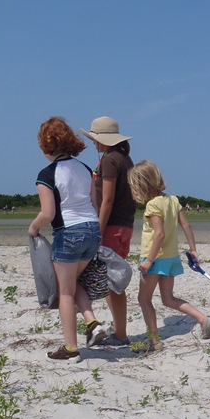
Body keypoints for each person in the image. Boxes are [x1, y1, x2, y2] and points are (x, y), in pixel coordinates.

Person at [29, 116, 107, 361]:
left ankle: (71, 349)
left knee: (64, 291)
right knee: (73, 283)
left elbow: (48, 213)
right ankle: (92, 322)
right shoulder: (84, 169)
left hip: (69, 233)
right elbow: (95, 205)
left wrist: (33, 229)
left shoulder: (47, 174)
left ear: (45, 145)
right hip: (92, 230)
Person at [127, 160, 210, 351]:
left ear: (142, 185)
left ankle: (154, 340)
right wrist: (193, 249)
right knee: (168, 298)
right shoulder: (173, 200)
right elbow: (186, 225)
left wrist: (148, 260)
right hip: (170, 259)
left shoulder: (152, 205)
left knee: (144, 299)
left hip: (154, 259)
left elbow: (159, 234)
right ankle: (203, 319)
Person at [80, 117, 135, 347]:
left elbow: (108, 200)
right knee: (111, 281)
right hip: (123, 225)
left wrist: (98, 231)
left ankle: (121, 334)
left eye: (95, 139)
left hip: (111, 226)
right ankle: (119, 329)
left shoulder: (111, 160)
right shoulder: (123, 158)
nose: (94, 143)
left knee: (113, 283)